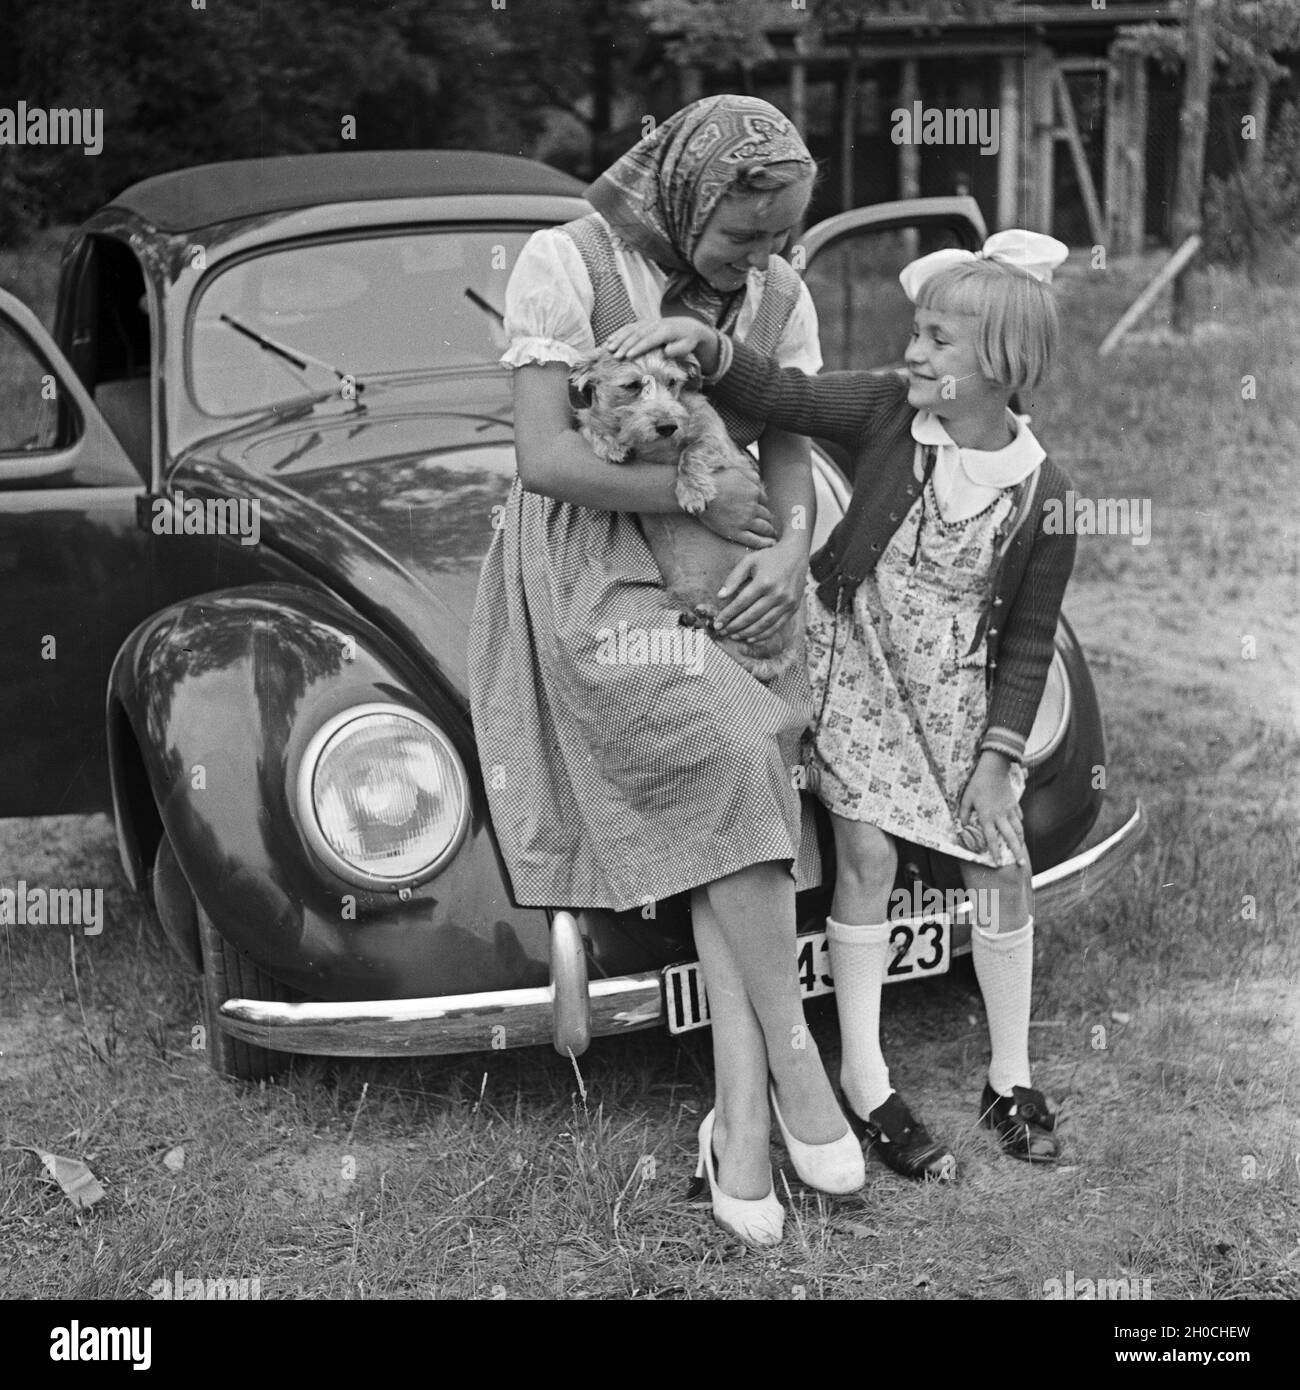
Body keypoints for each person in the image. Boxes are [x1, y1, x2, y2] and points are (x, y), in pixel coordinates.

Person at [467, 96, 863, 1247]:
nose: (762, 259)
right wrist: (698, 490)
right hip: (597, 568)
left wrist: (788, 549)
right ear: (691, 194)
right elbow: (543, 458)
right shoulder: (567, 261)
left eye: (781, 237)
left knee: (725, 818)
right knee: (736, 757)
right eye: (743, 236)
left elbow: (787, 453)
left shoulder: (779, 297)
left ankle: (738, 1131)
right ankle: (799, 1067)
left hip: (739, 567)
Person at [605, 229, 1075, 1179]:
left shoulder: (1043, 493)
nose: (915, 352)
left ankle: (1009, 1076)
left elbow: (1028, 639)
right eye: (918, 332)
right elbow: (785, 397)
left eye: (939, 341)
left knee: (999, 861)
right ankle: (866, 1079)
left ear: (1002, 365)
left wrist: (1000, 756)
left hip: (952, 692)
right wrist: (710, 351)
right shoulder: (884, 411)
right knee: (867, 851)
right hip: (854, 662)